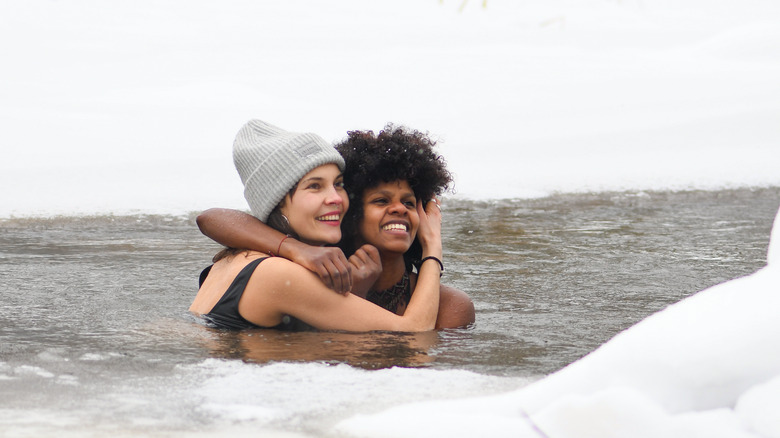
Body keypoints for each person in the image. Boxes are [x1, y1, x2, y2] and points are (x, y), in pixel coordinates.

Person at [197, 124, 475, 329]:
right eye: (315, 186)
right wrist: (433, 249)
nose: (334, 198)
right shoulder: (280, 271)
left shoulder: (253, 257)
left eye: (339, 185)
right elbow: (414, 334)